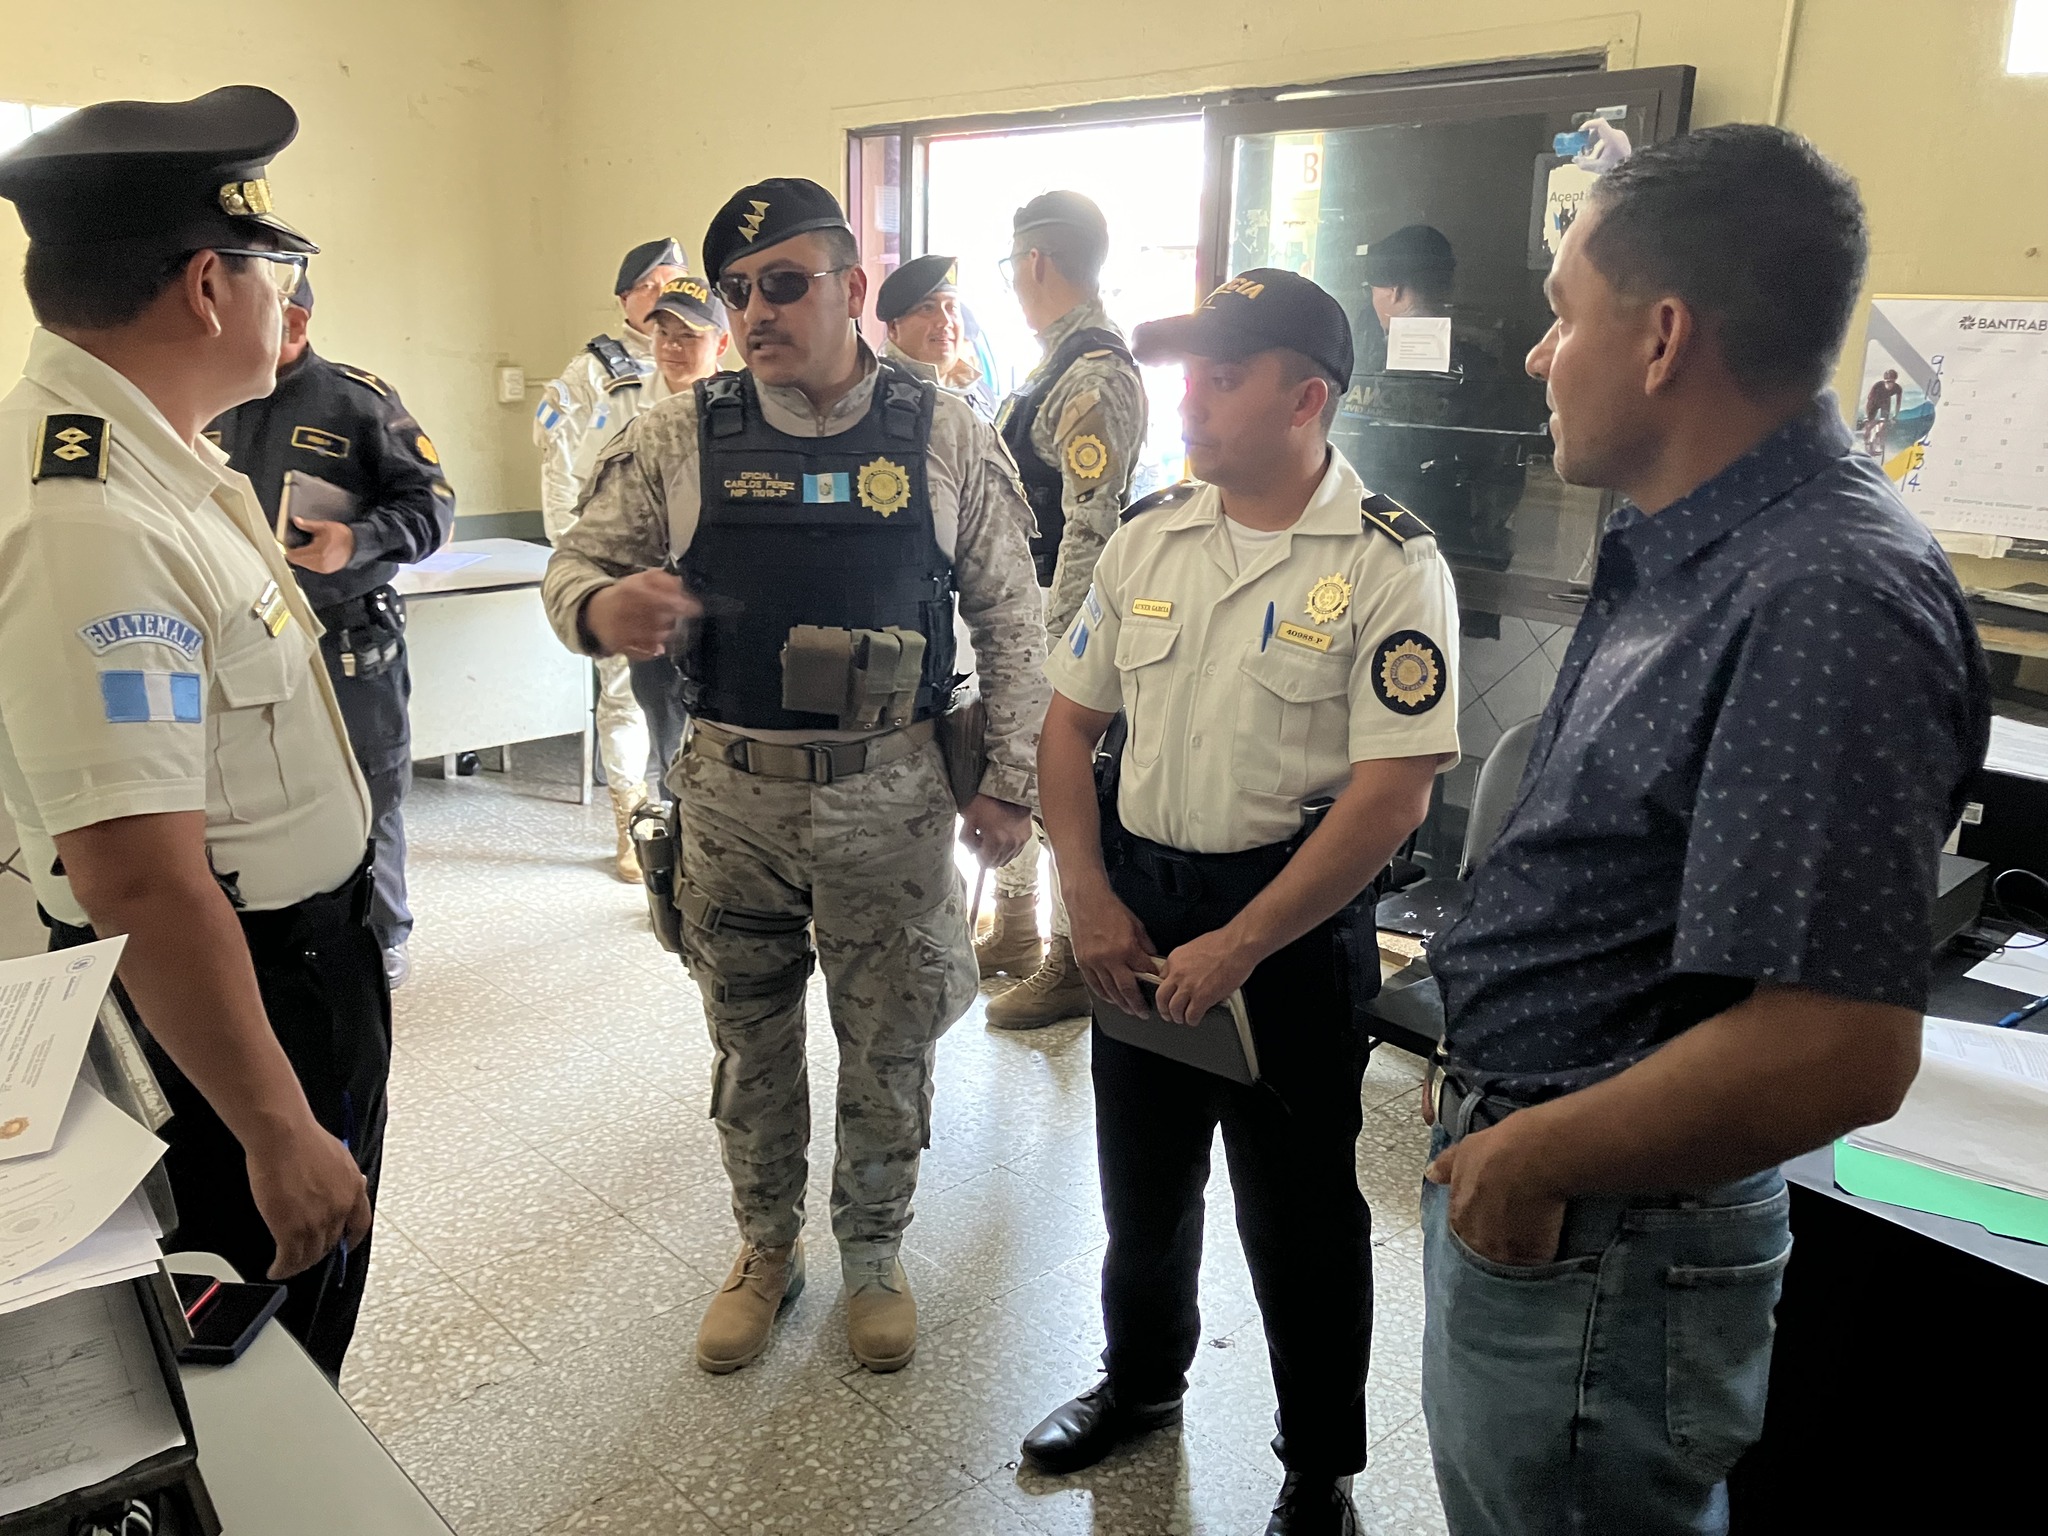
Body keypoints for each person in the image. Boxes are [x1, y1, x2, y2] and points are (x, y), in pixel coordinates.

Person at [1420, 125, 1989, 1536]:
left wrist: (1531, 1153)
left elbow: (1837, 1046)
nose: (1539, 356)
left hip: (1606, 1228)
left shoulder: (1822, 596)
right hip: (1552, 1183)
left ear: (1663, 337)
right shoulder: (1682, 539)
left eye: (1562, 315)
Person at [541, 178, 1046, 1376]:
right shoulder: (677, 434)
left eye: (783, 283)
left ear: (851, 288)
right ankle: (765, 1249)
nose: (755, 311)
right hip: (733, 798)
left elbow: (1012, 619)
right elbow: (572, 573)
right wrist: (602, 608)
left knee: (891, 1040)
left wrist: (1010, 782)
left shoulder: (941, 431)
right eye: (736, 291)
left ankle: (872, 1249)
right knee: (747, 1039)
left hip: (893, 794)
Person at [1022, 269, 1461, 1536]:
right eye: (1189, 374)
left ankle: (1317, 1467)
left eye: (1222, 377)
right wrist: (1086, 895)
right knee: (1138, 1192)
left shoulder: (1387, 561)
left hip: (1290, 924)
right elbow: (1067, 732)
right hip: (1142, 904)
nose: (1189, 400)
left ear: (1306, 397)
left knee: (1300, 1215)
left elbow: (1393, 795)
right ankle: (1139, 1386)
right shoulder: (1150, 535)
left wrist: (1244, 940)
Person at [0, 86, 383, 1377]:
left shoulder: (156, 461)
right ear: (211, 287)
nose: (290, 300)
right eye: (280, 269)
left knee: (301, 1325)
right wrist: (274, 1125)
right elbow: (139, 877)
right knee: (268, 1347)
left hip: (282, 972)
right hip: (231, 1009)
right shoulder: (93, 518)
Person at [208, 273, 455, 990]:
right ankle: (276, 940)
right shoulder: (209, 396)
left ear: (296, 323)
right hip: (240, 637)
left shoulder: (357, 401)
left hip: (346, 638)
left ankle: (382, 936)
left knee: (369, 793)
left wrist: (357, 540)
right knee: (252, 790)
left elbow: (433, 508)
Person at [982, 189, 1148, 1029]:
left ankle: (1068, 958)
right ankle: (1014, 926)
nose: (1015, 281)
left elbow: (1093, 521)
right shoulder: (1055, 364)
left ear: (1036, 261)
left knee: (1057, 786)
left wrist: (1062, 644)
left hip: (1060, 609)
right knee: (1012, 765)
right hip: (1023, 603)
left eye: (1013, 266)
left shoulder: (1094, 374)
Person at [534, 236, 686, 879]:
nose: (663, 296)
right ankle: (631, 818)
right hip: (617, 567)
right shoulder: (591, 375)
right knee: (623, 697)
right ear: (625, 298)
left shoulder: (706, 372)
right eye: (650, 286)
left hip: (685, 573)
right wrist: (585, 570)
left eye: (673, 282)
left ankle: (687, 822)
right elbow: (559, 474)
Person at [627, 273, 730, 790]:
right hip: (654, 596)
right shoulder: (623, 406)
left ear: (721, 344)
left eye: (688, 336)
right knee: (666, 735)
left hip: (727, 602)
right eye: (663, 333)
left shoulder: (750, 409)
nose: (671, 347)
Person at [875, 253, 995, 416]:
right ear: (893, 328)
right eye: (928, 308)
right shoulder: (874, 397)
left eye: (952, 308)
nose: (945, 322)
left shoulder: (981, 395)